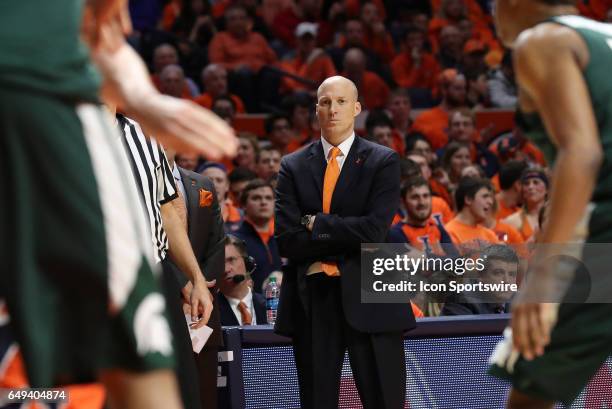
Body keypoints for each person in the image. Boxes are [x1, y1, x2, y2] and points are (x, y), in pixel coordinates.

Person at [0, 2, 236, 408]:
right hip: (67, 250)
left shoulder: (141, 136)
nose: (125, 25)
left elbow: (166, 209)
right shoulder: (44, 70)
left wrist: (194, 276)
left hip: (145, 263)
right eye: (110, 13)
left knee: (149, 379)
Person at [488, 2, 612, 408]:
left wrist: (541, 279)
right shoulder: (600, 37)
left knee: (529, 389)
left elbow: (582, 152)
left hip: (603, 238)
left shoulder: (543, 39)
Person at [275, 76, 413, 409]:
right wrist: (344, 234)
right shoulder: (292, 165)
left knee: (386, 399)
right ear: (316, 110)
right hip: (313, 295)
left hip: (373, 287)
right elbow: (287, 241)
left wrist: (315, 223)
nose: (332, 109)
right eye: (325, 102)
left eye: (340, 101)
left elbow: (374, 232)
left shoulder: (384, 161)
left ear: (357, 108)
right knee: (317, 400)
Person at [165, 150, 226, 409]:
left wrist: (203, 287)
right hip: (164, 299)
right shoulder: (135, 185)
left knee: (205, 395)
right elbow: (150, 242)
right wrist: (185, 285)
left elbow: (217, 242)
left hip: (203, 308)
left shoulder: (201, 183)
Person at [441, 244, 518, 315]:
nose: (507, 281)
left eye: (512, 274)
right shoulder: (461, 301)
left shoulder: (521, 301)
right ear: (481, 276)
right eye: (498, 273)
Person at [235, 179, 282, 293]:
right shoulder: (235, 242)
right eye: (256, 198)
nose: (263, 202)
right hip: (251, 306)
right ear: (244, 205)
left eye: (268, 198)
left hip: (284, 305)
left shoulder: (284, 237)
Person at [218, 235, 267, 325]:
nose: (226, 269)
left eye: (231, 260)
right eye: (220, 263)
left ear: (247, 262)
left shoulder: (271, 307)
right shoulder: (208, 312)